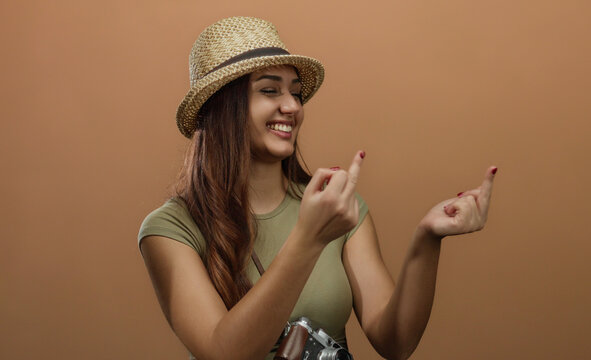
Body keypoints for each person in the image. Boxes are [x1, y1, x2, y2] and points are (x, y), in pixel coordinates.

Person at [138, 16, 497, 360]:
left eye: (296, 93)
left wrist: (428, 238)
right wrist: (309, 238)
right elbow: (224, 352)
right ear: (222, 108)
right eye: (269, 91)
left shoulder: (337, 209)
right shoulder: (171, 229)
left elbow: (395, 342)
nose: (292, 106)